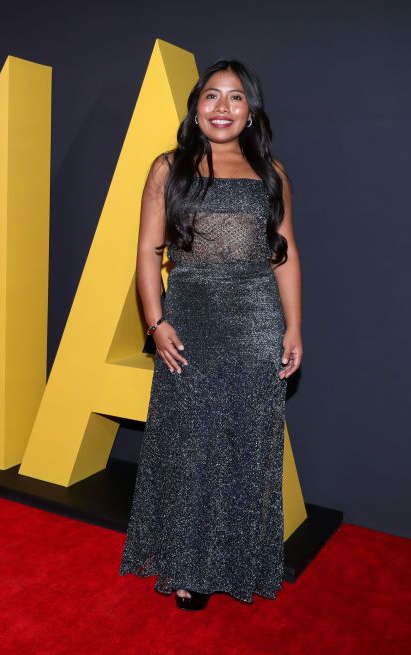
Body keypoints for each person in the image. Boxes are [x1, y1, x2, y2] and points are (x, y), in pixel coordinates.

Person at [118, 58, 303, 611]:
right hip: (191, 320)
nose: (222, 107)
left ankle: (235, 560)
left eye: (236, 98)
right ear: (196, 109)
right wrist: (155, 321)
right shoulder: (169, 168)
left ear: (251, 112)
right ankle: (186, 563)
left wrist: (294, 325)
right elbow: (149, 252)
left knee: (244, 448)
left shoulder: (272, 173)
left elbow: (285, 256)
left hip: (254, 324)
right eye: (211, 96)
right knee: (192, 447)